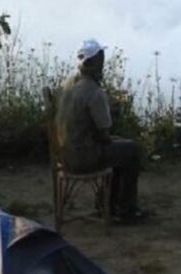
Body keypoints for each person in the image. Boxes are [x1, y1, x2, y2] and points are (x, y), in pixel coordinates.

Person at [56, 38, 148, 223]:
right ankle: (126, 211)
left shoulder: (70, 83)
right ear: (96, 63)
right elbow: (104, 134)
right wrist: (112, 126)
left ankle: (108, 204)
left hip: (64, 155)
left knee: (121, 148)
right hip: (83, 159)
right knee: (131, 150)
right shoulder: (94, 91)